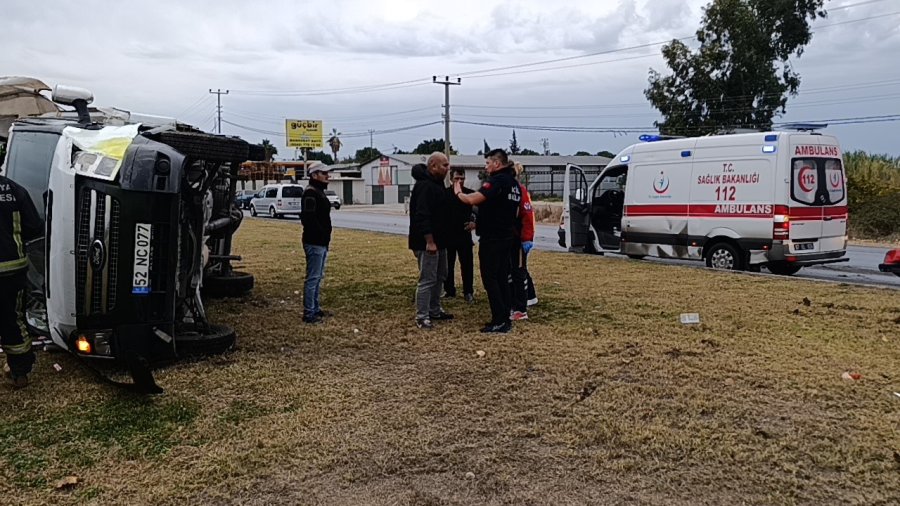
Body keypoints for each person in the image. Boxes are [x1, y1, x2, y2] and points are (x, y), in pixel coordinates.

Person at [453, 149, 520, 333]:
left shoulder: (497, 181)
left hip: (493, 238)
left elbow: (473, 199)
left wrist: (458, 192)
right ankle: (505, 317)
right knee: (502, 278)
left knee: (490, 278)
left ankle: (499, 320)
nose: (486, 167)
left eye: (487, 163)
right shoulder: (514, 183)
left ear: (497, 163)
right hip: (507, 236)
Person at [0, 174, 42, 389]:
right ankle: (19, 373)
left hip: (11, 270)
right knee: (13, 319)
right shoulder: (15, 190)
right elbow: (34, 226)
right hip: (12, 270)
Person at [408, 152, 454, 329]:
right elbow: (422, 215)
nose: (447, 168)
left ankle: (435, 310)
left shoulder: (438, 185)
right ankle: (422, 316)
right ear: (433, 166)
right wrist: (429, 240)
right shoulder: (425, 186)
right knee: (427, 278)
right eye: (444, 165)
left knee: (440, 275)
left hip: (441, 241)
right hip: (427, 242)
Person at [300, 166, 333, 324]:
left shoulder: (317, 191)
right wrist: (320, 234)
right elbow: (308, 219)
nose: (328, 176)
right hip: (314, 242)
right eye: (324, 173)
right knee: (313, 277)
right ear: (314, 175)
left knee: (318, 276)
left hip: (321, 241)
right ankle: (309, 312)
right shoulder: (311, 193)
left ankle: (315, 308)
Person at [443, 168, 476, 304]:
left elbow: (479, 211)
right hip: (449, 235)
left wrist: (474, 222)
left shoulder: (469, 194)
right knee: (448, 265)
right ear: (451, 179)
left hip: (464, 236)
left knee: (467, 265)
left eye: (462, 178)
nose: (459, 181)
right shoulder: (445, 194)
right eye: (457, 178)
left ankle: (468, 292)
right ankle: (449, 290)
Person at [510, 162, 537, 320]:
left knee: (519, 272)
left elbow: (528, 216)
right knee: (512, 272)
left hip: (518, 239)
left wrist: (527, 238)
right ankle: (518, 302)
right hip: (508, 238)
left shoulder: (521, 191)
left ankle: (521, 307)